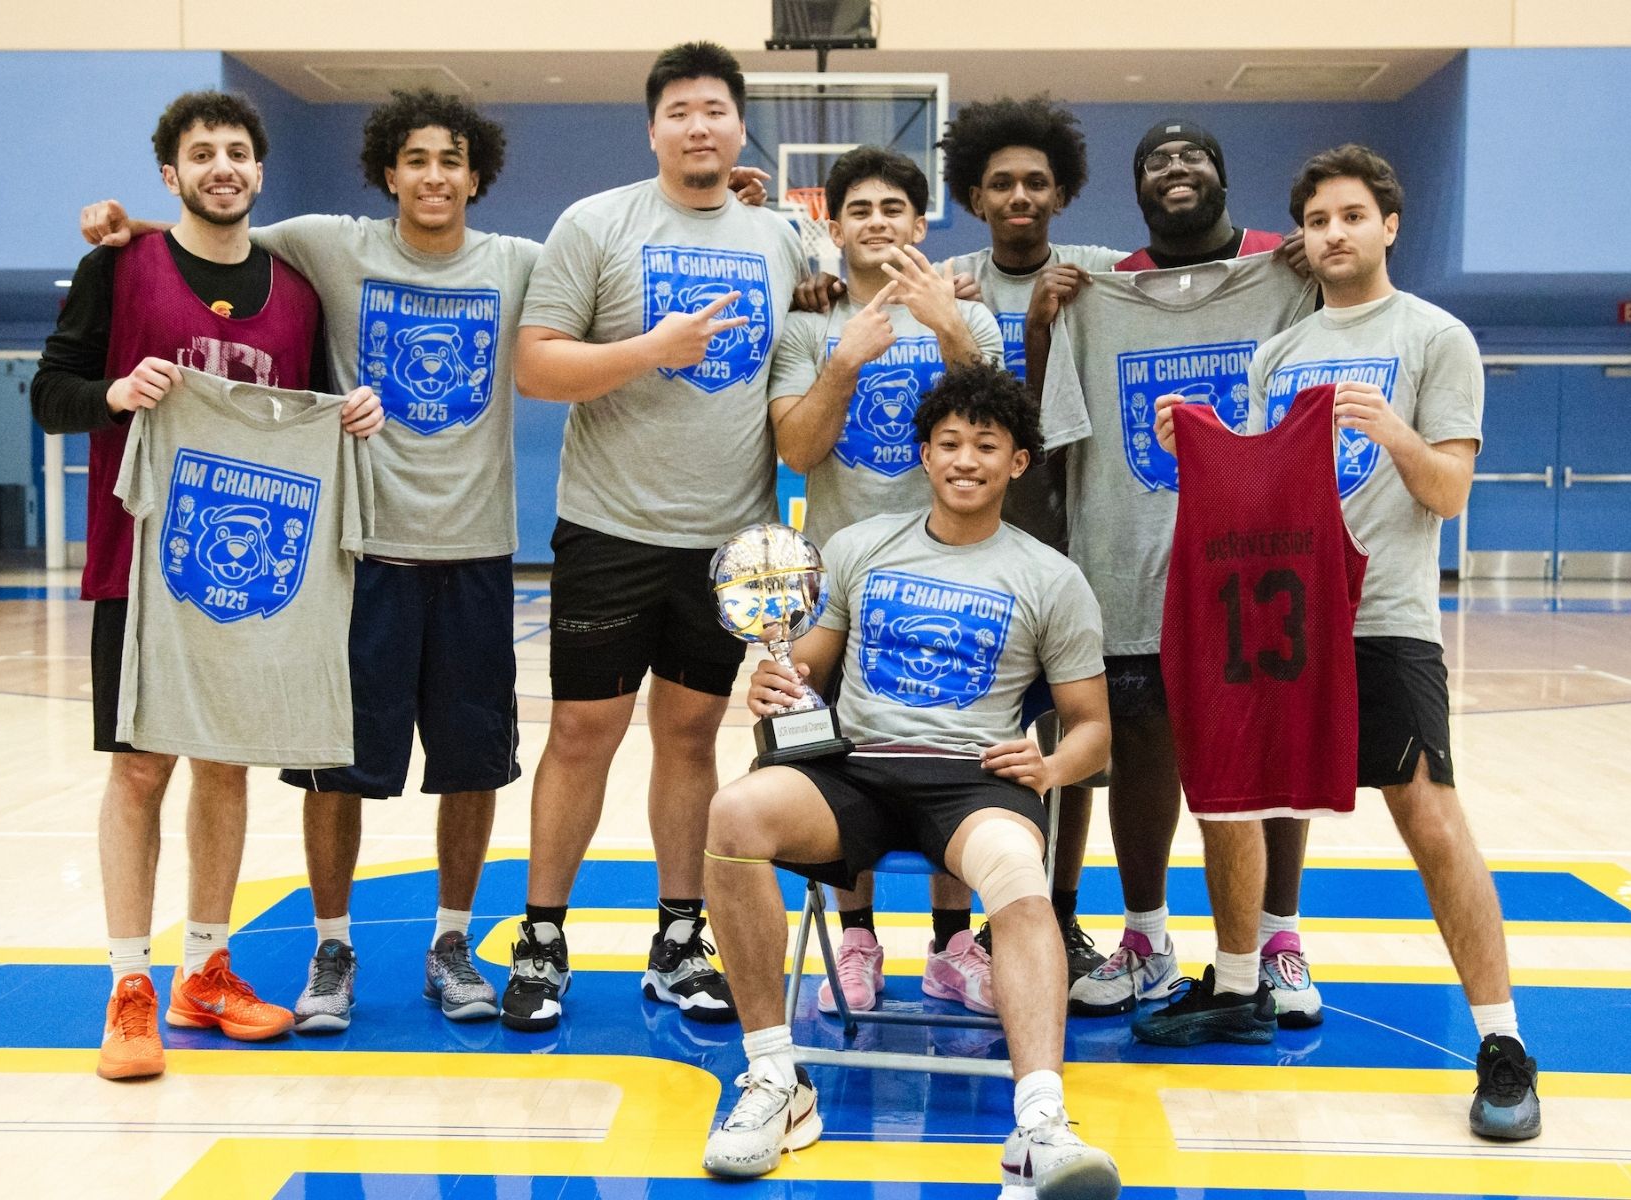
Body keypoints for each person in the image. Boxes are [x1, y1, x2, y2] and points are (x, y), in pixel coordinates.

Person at [82, 89, 545, 1032]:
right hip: (355, 549)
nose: (434, 176)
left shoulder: (520, 264)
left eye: (452, 160)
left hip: (475, 548)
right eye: (416, 159)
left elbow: (608, 277)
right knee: (334, 766)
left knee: (472, 765)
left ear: (476, 176)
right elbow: (216, 234)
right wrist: (133, 229)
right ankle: (331, 949)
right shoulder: (326, 245)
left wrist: (761, 221)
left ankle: (452, 944)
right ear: (387, 172)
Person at [1153, 143, 1540, 1139]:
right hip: (1283, 616)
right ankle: (1238, 983)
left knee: (1430, 819)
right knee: (1230, 799)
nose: (1333, 234)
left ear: (1388, 226)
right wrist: (1190, 444)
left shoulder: (1435, 337)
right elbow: (1256, 494)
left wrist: (1392, 431)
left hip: (1385, 617)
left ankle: (1501, 1041)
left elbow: (1447, 492)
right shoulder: (1277, 357)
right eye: (1317, 220)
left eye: (1351, 216)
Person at [699, 363, 1120, 1199]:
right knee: (734, 812)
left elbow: (1093, 727)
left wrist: (1051, 766)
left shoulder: (1051, 577)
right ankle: (776, 1080)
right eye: (950, 443)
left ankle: (1039, 1122)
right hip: (854, 768)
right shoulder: (860, 548)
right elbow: (809, 670)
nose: (966, 460)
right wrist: (778, 682)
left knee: (1018, 875)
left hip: (974, 780)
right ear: (924, 455)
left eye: (986, 446)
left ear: (1017, 463)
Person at [33, 90, 380, 1080]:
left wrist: (348, 415)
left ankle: (204, 969)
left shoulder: (296, 292)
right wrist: (113, 392)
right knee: (141, 770)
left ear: (260, 172)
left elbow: (309, 410)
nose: (221, 166)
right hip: (138, 564)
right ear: (170, 174)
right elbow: (49, 393)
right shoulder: (117, 267)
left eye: (236, 151)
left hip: (253, 581)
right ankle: (128, 986)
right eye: (201, 153)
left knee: (225, 765)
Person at [511, 42, 810, 1032]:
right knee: (581, 735)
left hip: (725, 545)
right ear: (652, 131)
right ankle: (541, 939)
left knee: (689, 740)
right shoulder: (595, 223)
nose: (697, 125)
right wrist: (654, 348)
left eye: (714, 109)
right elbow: (537, 367)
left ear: (738, 127)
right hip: (611, 530)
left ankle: (679, 941)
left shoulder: (778, 238)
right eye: (678, 111)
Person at [1032, 118, 1321, 1027]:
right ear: (1139, 188)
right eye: (1156, 160)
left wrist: (1318, 271)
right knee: (1142, 757)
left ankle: (1278, 941)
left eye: (1193, 155)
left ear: (1223, 176)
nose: (1176, 168)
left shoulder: (1287, 275)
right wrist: (1046, 318)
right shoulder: (1099, 292)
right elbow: (1055, 432)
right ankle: (1146, 938)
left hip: (1255, 572)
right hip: (1129, 569)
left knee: (1268, 764)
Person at [766, 144, 1005, 1014]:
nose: (876, 222)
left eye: (893, 208)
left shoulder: (966, 318)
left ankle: (951, 944)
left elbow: (1000, 424)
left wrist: (946, 328)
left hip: (957, 579)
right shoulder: (808, 326)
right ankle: (857, 938)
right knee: (837, 759)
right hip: (842, 586)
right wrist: (843, 361)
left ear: (921, 223)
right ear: (833, 228)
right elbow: (798, 450)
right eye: (859, 209)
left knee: (957, 752)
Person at [936, 97, 1123, 988]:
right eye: (1002, 183)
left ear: (1062, 193)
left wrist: (1281, 254)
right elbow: (856, 289)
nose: (1021, 196)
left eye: (1037, 183)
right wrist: (814, 285)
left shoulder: (1100, 272)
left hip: (1069, 545)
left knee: (1063, 748)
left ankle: (1062, 910)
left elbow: (1198, 273)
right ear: (976, 197)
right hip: (968, 552)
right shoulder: (949, 280)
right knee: (970, 731)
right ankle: (971, 925)